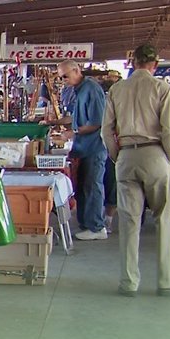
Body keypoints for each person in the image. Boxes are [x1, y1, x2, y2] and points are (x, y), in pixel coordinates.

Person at [101, 44, 170, 297]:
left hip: (127, 156)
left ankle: (128, 282)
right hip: (155, 154)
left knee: (129, 222)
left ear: (132, 63)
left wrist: (117, 156)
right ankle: (167, 281)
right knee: (164, 218)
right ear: (154, 65)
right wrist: (168, 156)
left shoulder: (117, 89)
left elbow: (107, 131)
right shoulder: (162, 88)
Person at [50, 60, 108, 239]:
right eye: (61, 77)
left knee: (92, 186)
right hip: (82, 148)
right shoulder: (79, 90)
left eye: (65, 76)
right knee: (82, 187)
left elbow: (96, 122)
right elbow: (76, 118)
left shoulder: (92, 89)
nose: (63, 80)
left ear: (76, 70)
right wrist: (53, 122)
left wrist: (71, 133)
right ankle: (86, 224)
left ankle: (97, 228)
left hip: (93, 147)